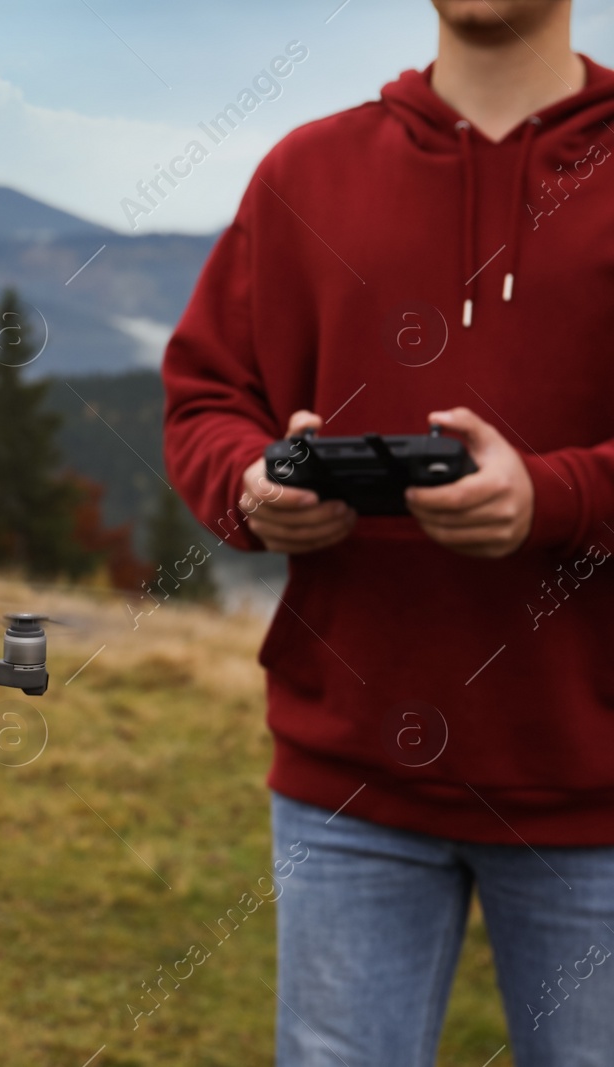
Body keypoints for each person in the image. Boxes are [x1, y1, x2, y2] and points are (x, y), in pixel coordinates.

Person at [162, 1, 614, 1064]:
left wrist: (555, 498)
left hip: (597, 789)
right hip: (349, 783)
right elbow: (204, 400)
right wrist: (253, 482)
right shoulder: (304, 174)